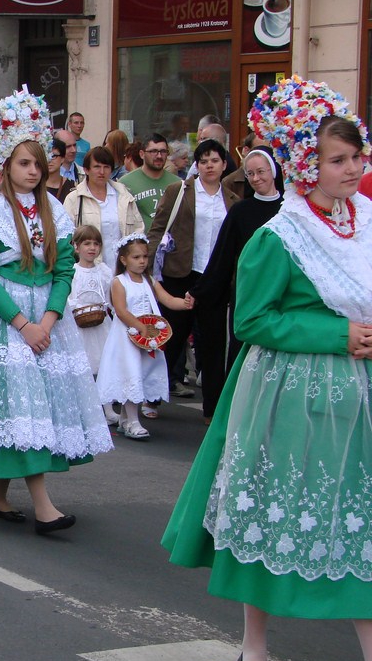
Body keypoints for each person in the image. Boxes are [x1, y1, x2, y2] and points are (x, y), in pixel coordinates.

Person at [163, 77, 372, 661]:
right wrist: (337, 337)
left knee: (355, 517)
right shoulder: (278, 235)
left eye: (356, 157)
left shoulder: (364, 222)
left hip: (357, 392)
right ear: (306, 163)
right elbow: (253, 318)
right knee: (270, 514)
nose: (350, 169)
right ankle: (253, 645)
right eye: (337, 160)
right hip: (288, 390)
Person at [0, 89, 112, 530]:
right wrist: (24, 324)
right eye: (24, 163)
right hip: (1, 320)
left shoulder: (54, 209)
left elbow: (65, 270)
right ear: (5, 166)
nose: (33, 171)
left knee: (30, 405)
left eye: (38, 163)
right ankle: (44, 506)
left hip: (44, 317)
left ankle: (0, 496)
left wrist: (48, 319)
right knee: (20, 401)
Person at [188, 145, 284, 419]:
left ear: (274, 172)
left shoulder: (290, 209)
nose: (256, 178)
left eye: (261, 172)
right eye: (250, 173)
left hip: (283, 295)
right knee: (244, 355)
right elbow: (223, 257)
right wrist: (201, 290)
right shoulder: (241, 211)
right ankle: (237, 413)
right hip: (249, 295)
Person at [146, 139, 240, 416]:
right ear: (196, 165)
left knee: (212, 344)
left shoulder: (232, 198)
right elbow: (158, 228)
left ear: (224, 165)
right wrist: (148, 267)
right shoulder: (180, 190)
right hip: (180, 272)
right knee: (171, 338)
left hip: (214, 278)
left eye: (214, 160)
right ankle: (152, 397)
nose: (209, 166)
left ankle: (211, 409)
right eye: (204, 161)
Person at [96, 234, 193, 440]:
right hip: (126, 337)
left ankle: (124, 418)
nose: (142, 261)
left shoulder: (150, 281)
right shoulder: (119, 282)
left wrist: (183, 303)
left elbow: (166, 299)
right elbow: (121, 311)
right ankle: (133, 421)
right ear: (124, 260)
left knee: (138, 375)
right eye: (136, 257)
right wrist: (140, 327)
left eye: (145, 257)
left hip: (146, 338)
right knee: (130, 374)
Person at [63, 146, 145, 270]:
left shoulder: (124, 196)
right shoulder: (74, 199)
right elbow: (66, 240)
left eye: (106, 167)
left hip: (123, 270)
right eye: (97, 167)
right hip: (90, 271)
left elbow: (138, 230)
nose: (102, 172)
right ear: (86, 169)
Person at [67, 224, 114, 421]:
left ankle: (108, 407)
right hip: (79, 324)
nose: (92, 248)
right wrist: (76, 309)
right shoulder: (72, 271)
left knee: (105, 365)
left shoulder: (103, 271)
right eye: (87, 243)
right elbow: (69, 297)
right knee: (81, 365)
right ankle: (82, 406)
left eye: (96, 244)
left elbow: (110, 295)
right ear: (76, 247)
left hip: (101, 323)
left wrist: (106, 308)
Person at [120, 134, 181, 229]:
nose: (159, 156)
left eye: (163, 151)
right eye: (153, 151)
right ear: (142, 154)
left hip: (169, 241)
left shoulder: (178, 183)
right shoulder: (125, 183)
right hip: (139, 241)